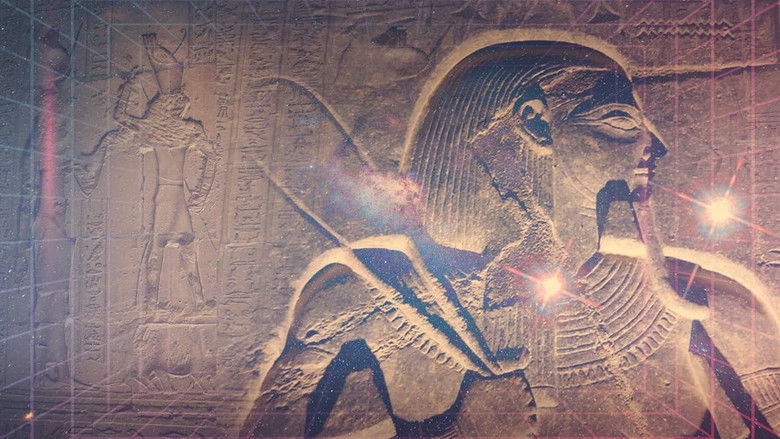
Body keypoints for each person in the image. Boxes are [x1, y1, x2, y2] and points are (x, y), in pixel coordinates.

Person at [242, 40, 780, 438]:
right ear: (534, 122)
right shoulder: (366, 301)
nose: (653, 144)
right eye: (619, 119)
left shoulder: (706, 307)